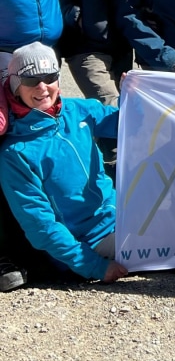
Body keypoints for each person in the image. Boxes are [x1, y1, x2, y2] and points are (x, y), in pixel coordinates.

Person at [0, 43, 127, 283]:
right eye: (30, 80)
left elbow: (128, 123)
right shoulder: (15, 153)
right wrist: (93, 267)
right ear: (16, 86)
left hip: (119, 217)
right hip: (87, 242)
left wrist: (135, 93)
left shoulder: (77, 110)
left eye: (49, 77)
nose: (42, 87)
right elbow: (41, 226)